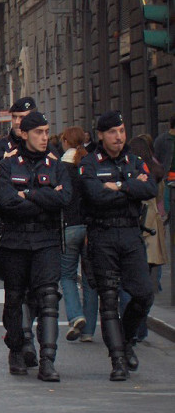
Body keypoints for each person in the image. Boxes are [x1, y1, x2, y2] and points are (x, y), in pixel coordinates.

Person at [79, 111, 157, 381]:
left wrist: (119, 187)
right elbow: (95, 195)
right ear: (101, 134)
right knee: (109, 300)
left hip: (130, 234)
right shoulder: (89, 163)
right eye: (112, 132)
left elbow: (150, 190)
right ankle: (117, 360)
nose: (119, 136)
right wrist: (130, 187)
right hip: (102, 235)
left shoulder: (134, 160)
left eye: (122, 131)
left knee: (144, 293)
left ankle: (126, 342)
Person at [0, 111, 71, 382]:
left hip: (47, 241)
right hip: (15, 241)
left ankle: (48, 360)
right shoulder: (8, 165)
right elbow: (6, 201)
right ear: (25, 134)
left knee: (48, 298)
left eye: (46, 131)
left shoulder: (56, 165)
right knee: (14, 299)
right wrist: (43, 199)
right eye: (38, 132)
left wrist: (27, 194)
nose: (44, 137)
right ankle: (16, 350)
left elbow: (64, 199)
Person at [0, 97, 41, 367]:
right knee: (14, 293)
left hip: (39, 227)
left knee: (38, 292)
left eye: (23, 117)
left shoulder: (45, 146)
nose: (18, 123)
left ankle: (24, 334)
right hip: (8, 228)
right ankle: (19, 343)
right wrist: (1, 164)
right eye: (14, 118)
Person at [125, 133, 167, 343]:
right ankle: (140, 327)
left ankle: (136, 327)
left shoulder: (133, 169)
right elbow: (159, 197)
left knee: (134, 283)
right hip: (154, 224)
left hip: (139, 224)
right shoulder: (157, 168)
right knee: (148, 279)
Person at [58, 126, 98, 342]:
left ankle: (75, 316)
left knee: (67, 275)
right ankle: (89, 331)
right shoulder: (89, 164)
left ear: (65, 141)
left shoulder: (61, 167)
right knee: (91, 280)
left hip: (69, 226)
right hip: (89, 227)